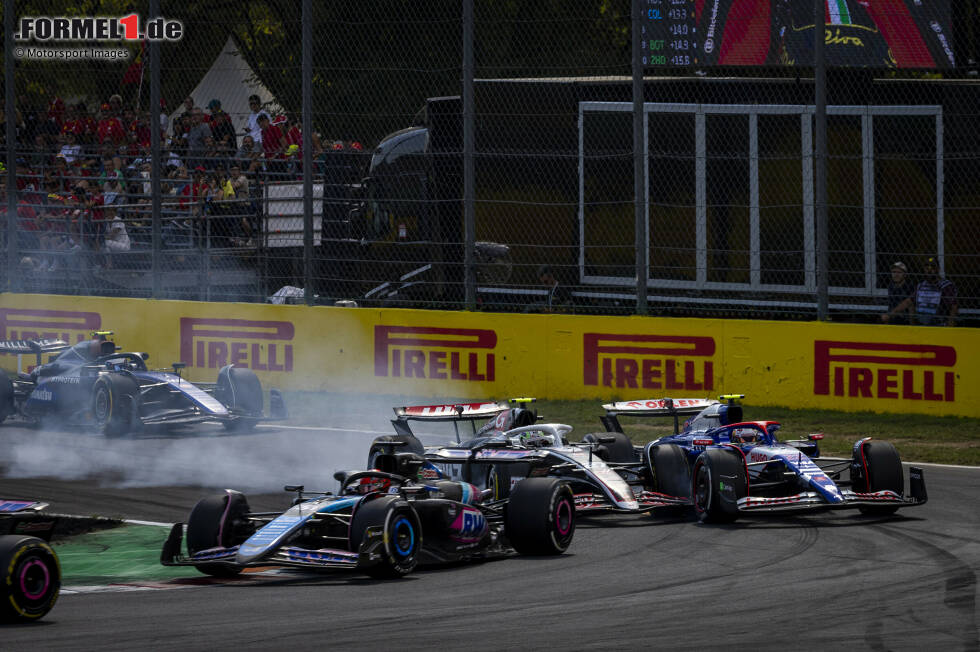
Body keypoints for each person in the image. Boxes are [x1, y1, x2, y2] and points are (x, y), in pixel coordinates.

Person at [894, 257, 958, 326]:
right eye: (927, 267)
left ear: (938, 269)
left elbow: (953, 306)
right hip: (921, 324)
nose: (929, 270)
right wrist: (890, 314)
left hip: (939, 324)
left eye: (933, 267)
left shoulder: (945, 286)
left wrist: (950, 323)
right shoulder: (921, 285)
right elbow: (909, 301)